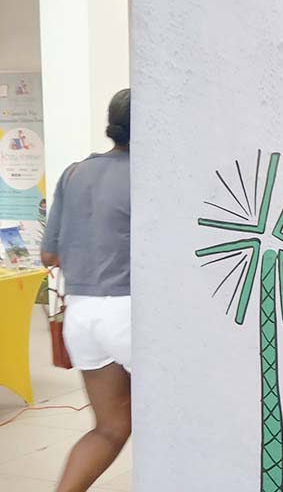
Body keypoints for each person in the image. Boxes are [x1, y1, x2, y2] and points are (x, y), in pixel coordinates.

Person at [40, 88, 132, 492]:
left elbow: (49, 255)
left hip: (82, 314)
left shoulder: (74, 173)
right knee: (176, 420)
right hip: (134, 312)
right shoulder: (151, 176)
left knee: (110, 428)